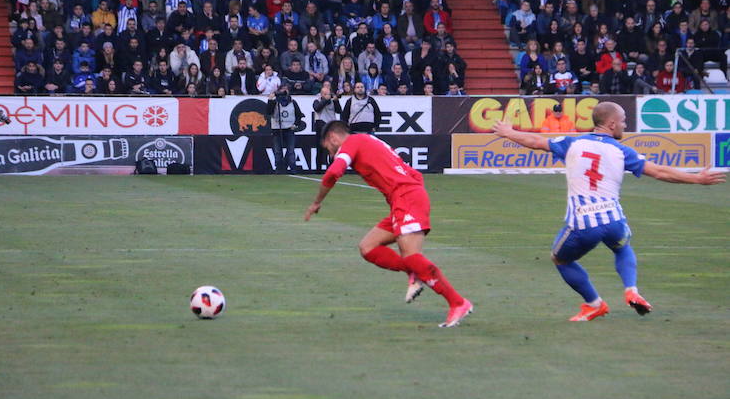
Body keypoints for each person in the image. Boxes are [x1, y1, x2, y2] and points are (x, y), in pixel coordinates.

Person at [492, 102, 725, 321]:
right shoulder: (623, 151)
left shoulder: (573, 143)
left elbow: (535, 141)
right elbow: (660, 172)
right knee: (622, 247)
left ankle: (594, 304)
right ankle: (631, 290)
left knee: (560, 259)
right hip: (614, 220)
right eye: (623, 121)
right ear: (611, 124)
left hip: (584, 223)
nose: (625, 125)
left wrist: (508, 132)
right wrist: (697, 179)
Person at [304, 121, 473, 328]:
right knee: (368, 247)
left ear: (332, 137)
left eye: (328, 149)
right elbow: (410, 171)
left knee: (412, 256)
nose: (330, 154)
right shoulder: (370, 140)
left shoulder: (352, 142)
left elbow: (333, 173)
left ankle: (457, 302)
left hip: (406, 198)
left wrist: (316, 202)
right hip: (403, 199)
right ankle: (413, 271)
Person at [265, 84, 304, 173]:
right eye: (282, 90)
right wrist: (270, 100)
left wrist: (295, 124)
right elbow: (268, 112)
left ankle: (292, 167)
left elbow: (299, 115)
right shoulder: (275, 102)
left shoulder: (293, 102)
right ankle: (279, 168)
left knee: (290, 150)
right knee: (278, 150)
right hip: (277, 129)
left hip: (289, 129)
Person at [312, 82, 341, 168]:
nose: (327, 95)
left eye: (328, 93)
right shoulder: (317, 100)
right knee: (320, 148)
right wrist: (326, 99)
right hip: (321, 125)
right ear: (321, 94)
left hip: (331, 125)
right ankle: (318, 168)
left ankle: (332, 166)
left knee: (332, 148)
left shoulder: (332, 101)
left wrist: (336, 101)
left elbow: (339, 111)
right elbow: (317, 108)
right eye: (325, 94)